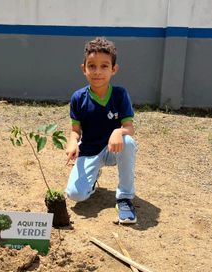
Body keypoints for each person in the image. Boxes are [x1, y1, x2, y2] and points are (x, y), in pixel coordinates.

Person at [65, 37, 138, 224]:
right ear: (84, 69)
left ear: (114, 69)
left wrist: (118, 132)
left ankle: (125, 198)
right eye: (92, 66)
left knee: (128, 142)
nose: (97, 72)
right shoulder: (78, 98)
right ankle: (93, 177)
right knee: (75, 195)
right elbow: (75, 131)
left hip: (113, 149)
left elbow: (129, 128)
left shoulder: (120, 95)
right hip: (89, 151)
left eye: (104, 66)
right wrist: (72, 142)